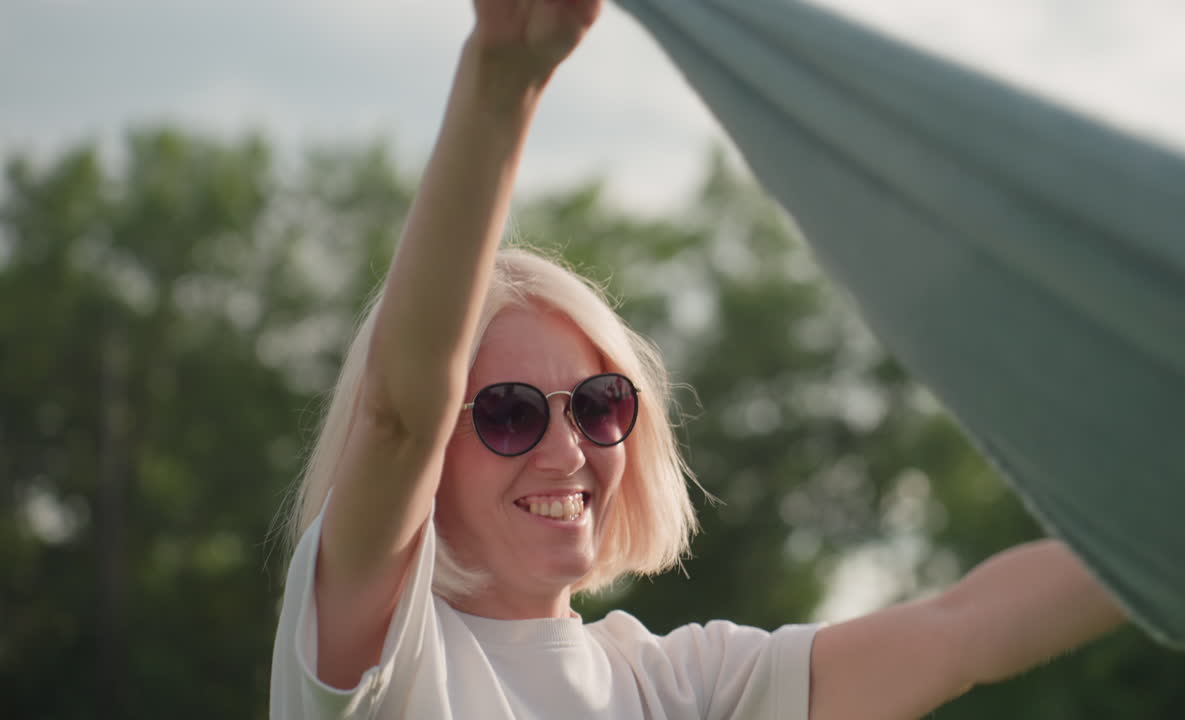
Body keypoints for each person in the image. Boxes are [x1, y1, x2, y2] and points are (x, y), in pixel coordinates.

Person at [269, 1, 1127, 718]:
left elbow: (963, 629)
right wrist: (504, 82)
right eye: (507, 413)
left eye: (598, 404)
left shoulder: (677, 685)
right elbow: (397, 415)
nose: (568, 451)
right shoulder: (377, 652)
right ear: (432, 458)